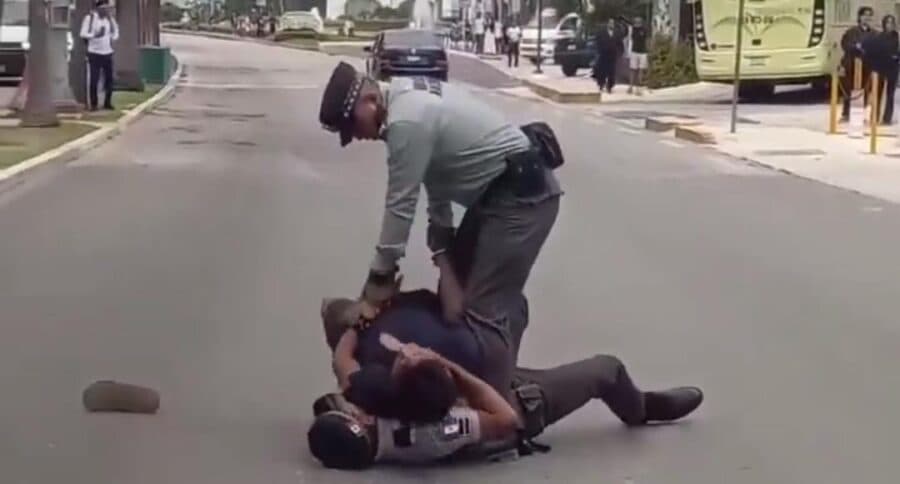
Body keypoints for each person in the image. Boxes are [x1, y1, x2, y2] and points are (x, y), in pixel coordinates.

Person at [318, 62, 563, 404]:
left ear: (371, 99)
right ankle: (494, 373)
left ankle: (501, 414)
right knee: (456, 297)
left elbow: (400, 206)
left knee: (483, 312)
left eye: (352, 125)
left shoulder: (406, 121)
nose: (356, 136)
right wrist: (442, 236)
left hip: (521, 201)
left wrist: (377, 283)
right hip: (495, 195)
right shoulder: (406, 95)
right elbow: (435, 171)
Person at [308, 340, 704, 469]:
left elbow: (344, 365)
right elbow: (505, 418)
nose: (351, 410)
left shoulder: (372, 404)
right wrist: (446, 364)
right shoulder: (438, 428)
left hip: (468, 389)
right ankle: (641, 409)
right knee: (607, 370)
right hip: (514, 404)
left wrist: (352, 328)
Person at [80, 0, 119, 111]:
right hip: (94, 53)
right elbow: (83, 33)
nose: (107, 10)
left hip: (108, 52)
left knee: (109, 79)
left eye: (108, 8)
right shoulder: (90, 19)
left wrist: (113, 37)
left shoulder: (110, 20)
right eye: (105, 8)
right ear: (99, 8)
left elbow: (115, 32)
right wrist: (95, 35)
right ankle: (94, 104)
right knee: (94, 79)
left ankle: (107, 102)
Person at [841, 6, 875, 122]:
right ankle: (846, 114)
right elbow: (845, 44)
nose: (867, 17)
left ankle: (859, 113)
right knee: (848, 89)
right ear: (860, 17)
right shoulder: (851, 32)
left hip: (866, 66)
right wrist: (856, 46)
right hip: (851, 64)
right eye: (865, 15)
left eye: (869, 15)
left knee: (864, 90)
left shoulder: (874, 33)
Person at [864, 15, 900, 125]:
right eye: (888, 22)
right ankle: (874, 116)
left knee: (890, 95)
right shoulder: (879, 36)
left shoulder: (896, 36)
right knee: (877, 93)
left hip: (893, 68)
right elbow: (876, 51)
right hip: (881, 68)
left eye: (892, 22)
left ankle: (887, 118)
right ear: (884, 24)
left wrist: (896, 57)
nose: (890, 25)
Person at [594, 18, 624, 94]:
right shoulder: (602, 32)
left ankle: (610, 86)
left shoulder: (617, 33)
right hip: (603, 54)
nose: (611, 25)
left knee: (611, 71)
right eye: (610, 23)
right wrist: (599, 50)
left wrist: (620, 52)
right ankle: (601, 84)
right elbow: (597, 41)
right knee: (602, 70)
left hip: (612, 54)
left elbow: (620, 43)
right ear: (607, 24)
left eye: (612, 23)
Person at [627, 16, 649, 95]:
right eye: (636, 21)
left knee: (641, 70)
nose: (637, 23)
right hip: (634, 51)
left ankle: (638, 88)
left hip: (642, 52)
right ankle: (630, 87)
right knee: (632, 69)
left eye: (639, 21)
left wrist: (647, 51)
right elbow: (630, 39)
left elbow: (645, 39)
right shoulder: (632, 29)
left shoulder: (644, 29)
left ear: (641, 22)